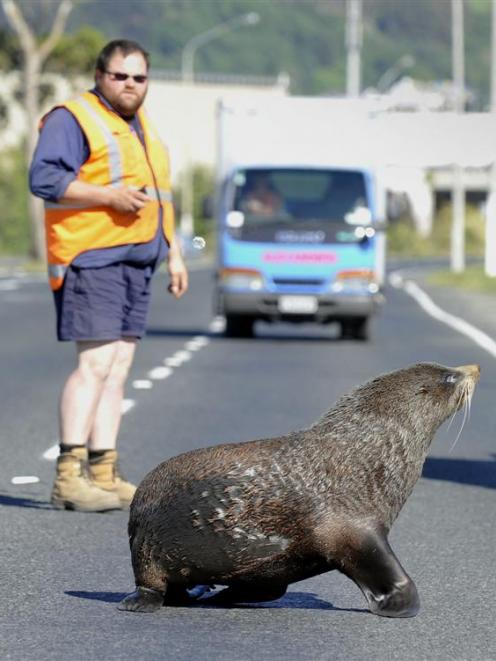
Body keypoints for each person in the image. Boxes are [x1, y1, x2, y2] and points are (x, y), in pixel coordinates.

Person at [29, 39, 188, 513]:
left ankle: (103, 470)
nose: (129, 85)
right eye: (120, 76)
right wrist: (109, 197)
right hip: (92, 255)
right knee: (94, 365)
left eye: (139, 78)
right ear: (100, 75)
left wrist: (174, 254)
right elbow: (45, 179)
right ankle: (68, 477)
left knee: (117, 368)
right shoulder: (73, 118)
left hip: (139, 260)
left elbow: (161, 198)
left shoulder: (143, 127)